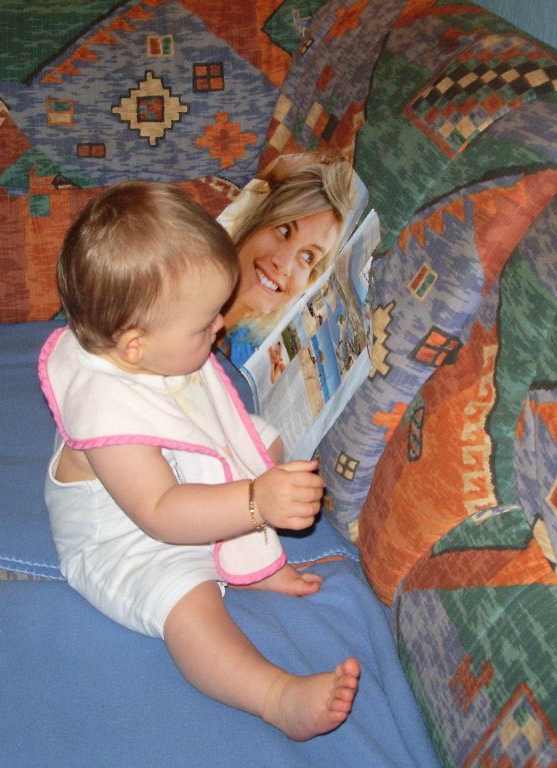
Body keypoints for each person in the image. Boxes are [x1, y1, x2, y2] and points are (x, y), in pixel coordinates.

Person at [39, 181, 360, 741]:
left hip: (180, 485)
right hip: (126, 541)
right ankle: (275, 696)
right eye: (205, 323)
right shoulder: (108, 415)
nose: (220, 327)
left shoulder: (149, 350)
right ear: (135, 345)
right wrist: (255, 503)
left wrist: (257, 487)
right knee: (188, 606)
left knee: (264, 444)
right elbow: (162, 513)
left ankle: (238, 558)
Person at [217, 153, 356, 367]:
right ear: (256, 221)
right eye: (284, 230)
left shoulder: (254, 360)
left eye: (308, 257)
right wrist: (273, 168)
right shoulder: (175, 275)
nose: (283, 265)